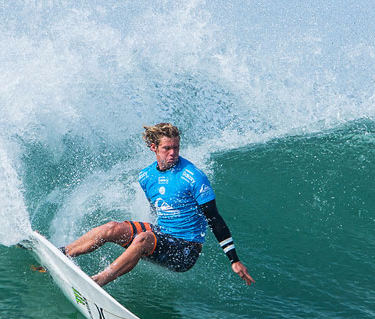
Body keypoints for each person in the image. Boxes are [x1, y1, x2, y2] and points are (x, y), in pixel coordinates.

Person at [62, 123, 254, 287]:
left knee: (144, 238)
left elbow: (214, 218)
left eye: (176, 148)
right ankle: (64, 253)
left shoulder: (193, 176)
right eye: (167, 148)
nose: (173, 153)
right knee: (112, 228)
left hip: (186, 249)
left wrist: (234, 260)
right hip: (163, 234)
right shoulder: (146, 176)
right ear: (153, 147)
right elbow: (156, 209)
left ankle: (97, 282)